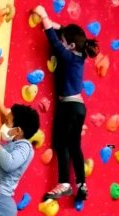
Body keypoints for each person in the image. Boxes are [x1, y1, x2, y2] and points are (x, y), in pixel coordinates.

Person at [33, 5, 99, 204]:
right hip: (79, 107)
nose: (61, 42)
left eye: (65, 42)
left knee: (61, 144)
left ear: (70, 46)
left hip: (68, 107)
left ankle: (64, 182)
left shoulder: (68, 57)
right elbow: (63, 34)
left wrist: (44, 16)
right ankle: (81, 183)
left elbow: (54, 41)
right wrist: (56, 25)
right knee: (75, 145)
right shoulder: (80, 55)